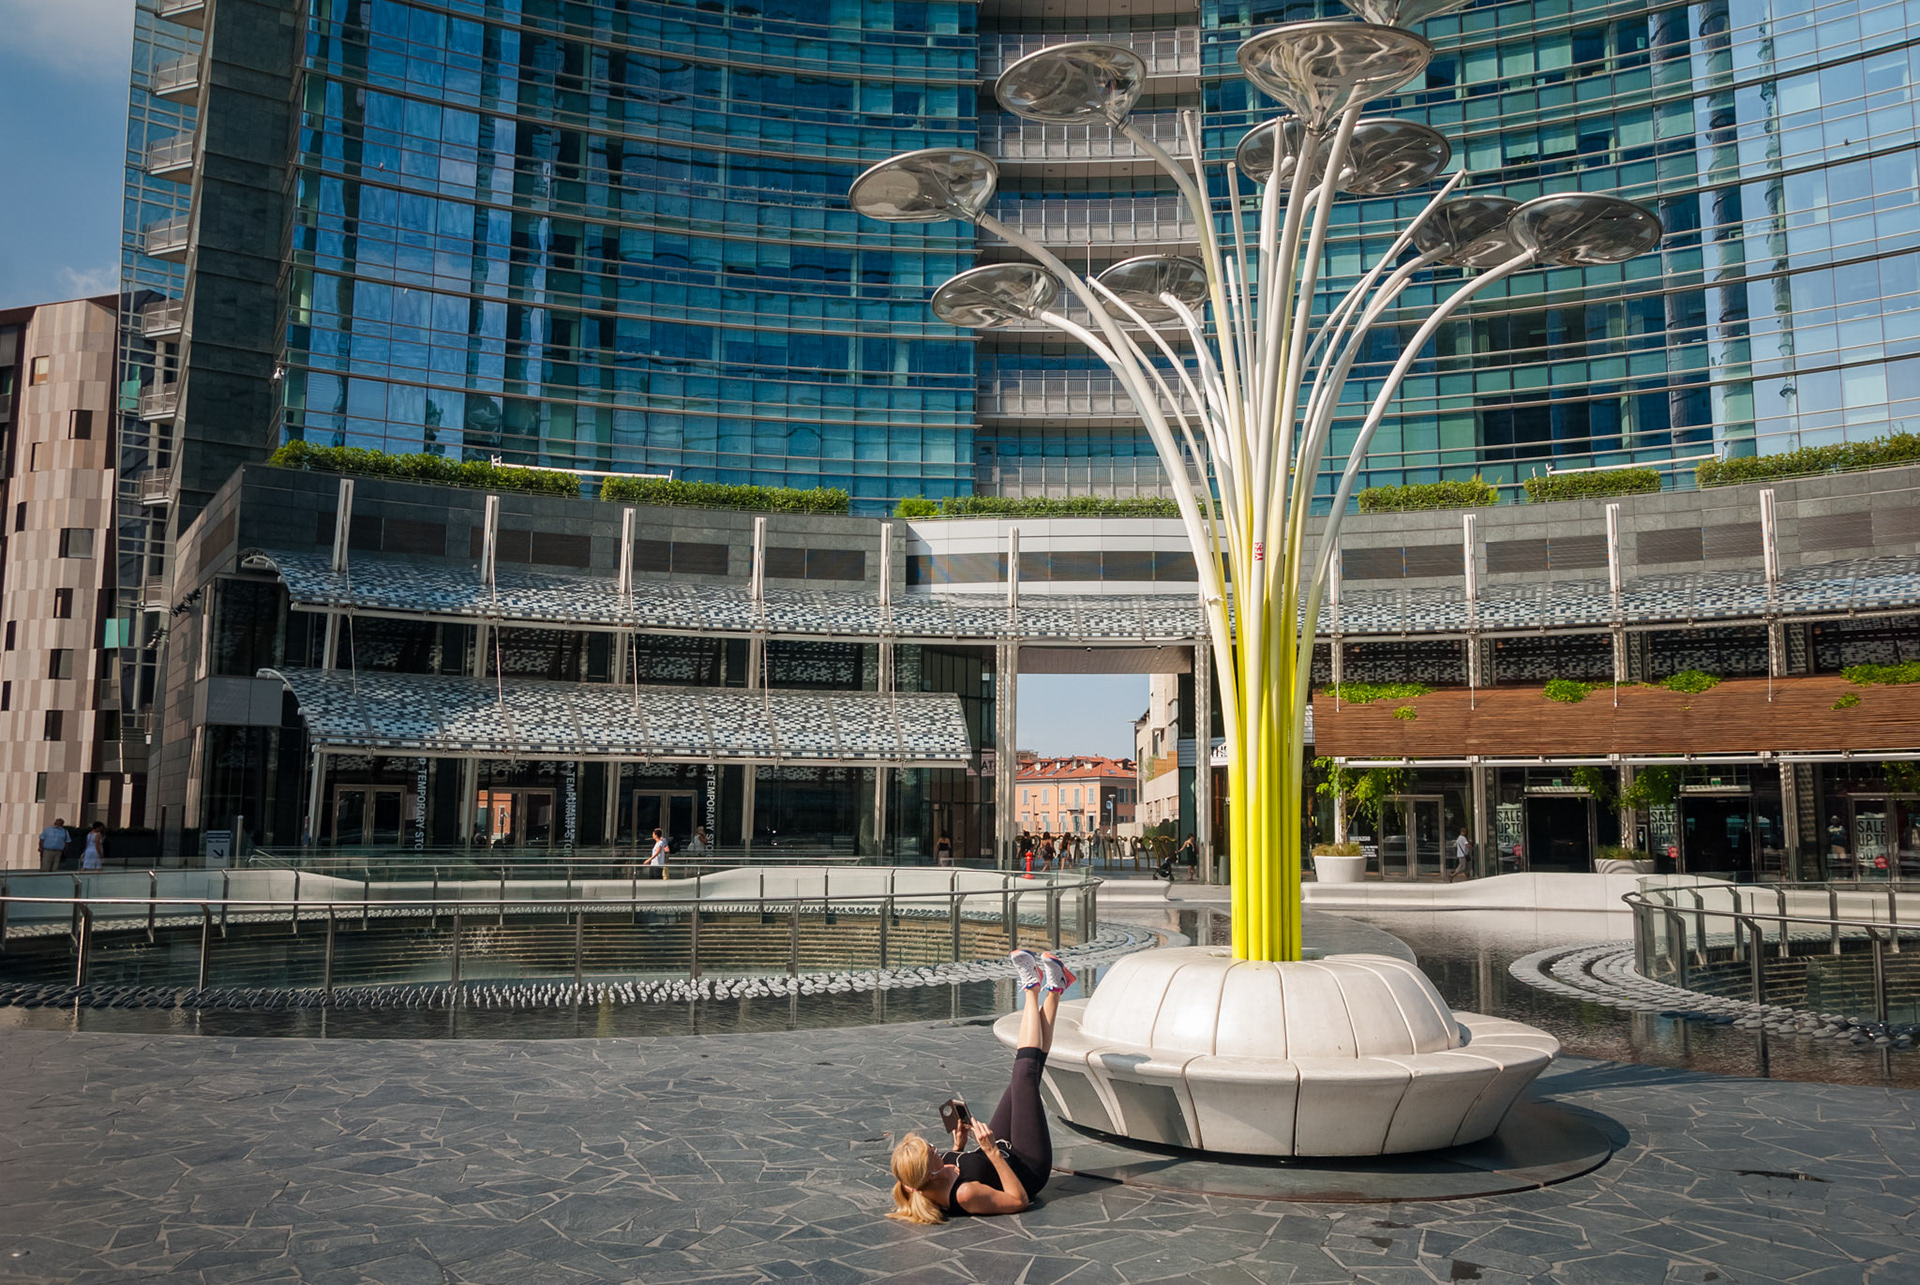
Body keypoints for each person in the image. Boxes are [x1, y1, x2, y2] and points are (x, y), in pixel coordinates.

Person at [887, 948, 1069, 1222]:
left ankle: (1055, 987)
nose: (936, 1149)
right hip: (1028, 1167)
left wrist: (958, 1146)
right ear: (931, 1172)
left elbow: (953, 1164)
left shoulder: (915, 1180)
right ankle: (1031, 987)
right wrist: (991, 1151)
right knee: (1024, 1075)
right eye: (932, 1152)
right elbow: (1018, 1200)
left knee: (1024, 1077)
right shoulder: (964, 1195)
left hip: (999, 1150)